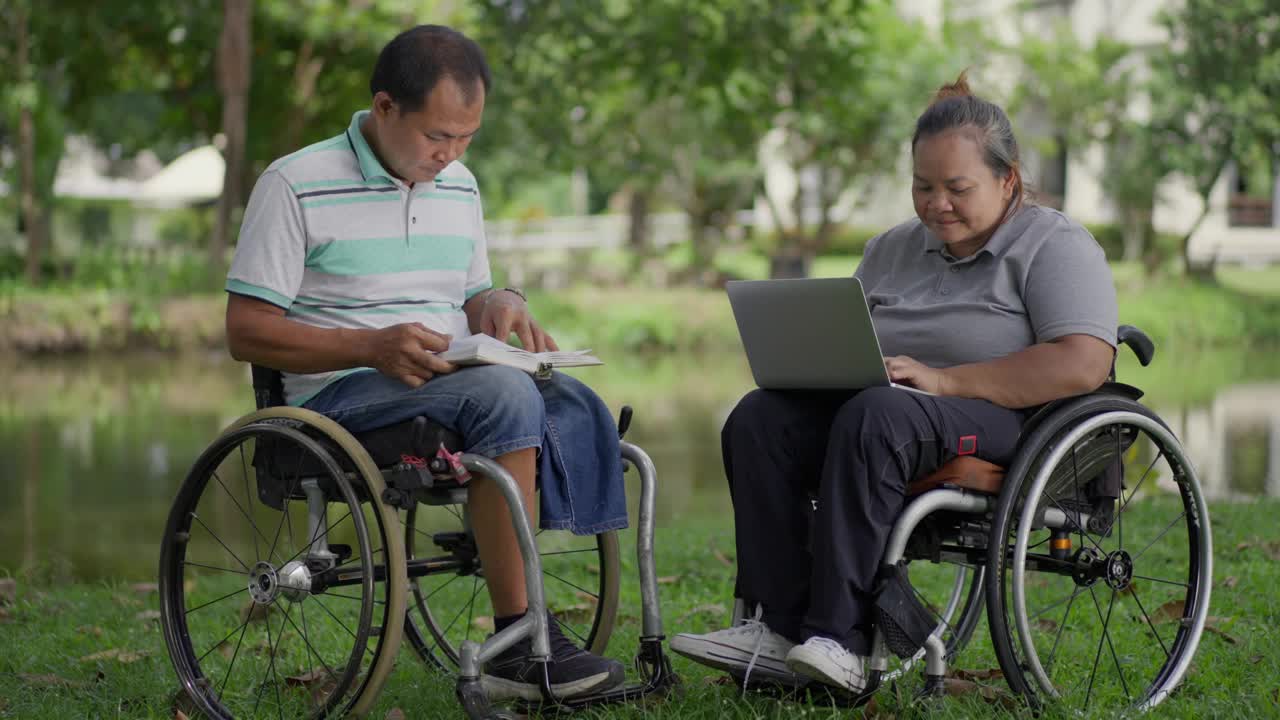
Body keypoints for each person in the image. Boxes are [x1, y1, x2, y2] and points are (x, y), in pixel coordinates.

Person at [670, 72, 1118, 694]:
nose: (938, 204)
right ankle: (776, 629)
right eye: (923, 187)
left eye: (958, 188)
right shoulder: (890, 249)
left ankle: (841, 640)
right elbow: (855, 343)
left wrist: (942, 379)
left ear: (1008, 178)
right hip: (885, 409)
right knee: (759, 419)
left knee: (879, 415)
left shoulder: (1054, 244)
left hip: (1002, 418)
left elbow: (1082, 362)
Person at [224, 25, 627, 701]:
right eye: (439, 136)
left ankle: (525, 598)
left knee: (568, 395)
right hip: (336, 398)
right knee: (503, 399)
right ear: (385, 109)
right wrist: (369, 345)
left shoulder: (460, 185)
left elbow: (468, 297)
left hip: (449, 383)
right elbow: (246, 330)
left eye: (467, 138)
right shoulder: (294, 183)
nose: (452, 154)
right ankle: (521, 638)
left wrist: (499, 303)